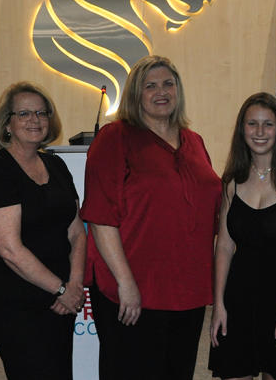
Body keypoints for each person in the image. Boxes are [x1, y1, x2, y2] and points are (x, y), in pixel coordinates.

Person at [80, 55, 221, 380]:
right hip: (134, 293)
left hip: (187, 291)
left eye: (168, 84)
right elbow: (101, 219)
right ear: (135, 94)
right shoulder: (115, 138)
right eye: (150, 85)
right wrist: (126, 283)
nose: (162, 91)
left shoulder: (194, 141)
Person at [0, 82, 86, 379]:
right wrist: (61, 289)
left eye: (41, 112)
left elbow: (76, 231)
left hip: (61, 302)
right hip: (17, 305)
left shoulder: (57, 166)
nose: (34, 120)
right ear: (7, 123)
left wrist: (75, 286)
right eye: (24, 113)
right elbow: (9, 250)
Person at [208, 93, 276, 380]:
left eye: (268, 124)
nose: (259, 132)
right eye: (252, 124)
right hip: (237, 300)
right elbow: (224, 246)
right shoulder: (231, 182)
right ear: (242, 129)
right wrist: (219, 304)